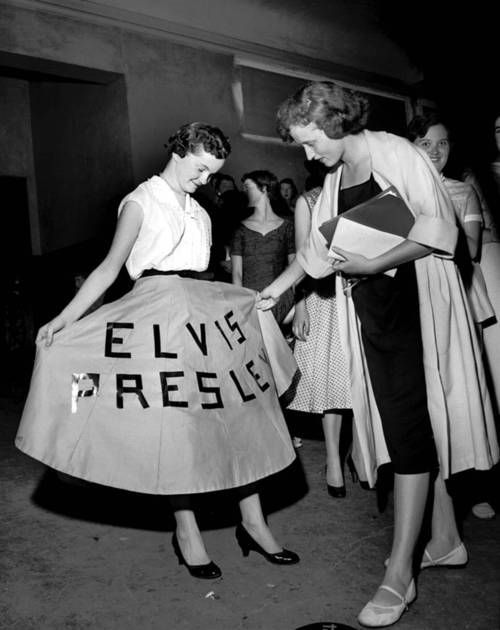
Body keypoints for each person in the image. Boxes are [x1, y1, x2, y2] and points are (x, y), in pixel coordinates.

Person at [257, 82, 499, 627]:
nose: (307, 153)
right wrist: (281, 288)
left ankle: (398, 576)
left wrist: (370, 264)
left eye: (310, 140)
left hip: (414, 309)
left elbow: (443, 236)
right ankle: (444, 539)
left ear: (336, 123)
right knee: (409, 426)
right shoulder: (338, 175)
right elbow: (317, 252)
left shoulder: (398, 153)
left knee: (410, 430)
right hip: (377, 315)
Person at [16, 122, 299, 581]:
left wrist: (245, 301)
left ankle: (254, 522)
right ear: (182, 151)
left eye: (213, 173)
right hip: (156, 322)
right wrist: (63, 320)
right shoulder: (140, 202)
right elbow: (109, 270)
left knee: (240, 415)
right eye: (202, 169)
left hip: (204, 320)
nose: (206, 181)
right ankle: (186, 530)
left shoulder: (202, 213)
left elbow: (205, 276)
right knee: (180, 427)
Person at [288, 179, 357, 496]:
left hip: (361, 296)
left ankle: (361, 453)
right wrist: (299, 306)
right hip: (325, 298)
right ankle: (333, 461)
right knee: (333, 380)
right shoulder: (310, 201)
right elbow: (301, 259)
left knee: (362, 384)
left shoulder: (363, 192)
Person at [408, 113, 494, 331]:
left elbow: (473, 248)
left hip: (459, 285)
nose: (435, 151)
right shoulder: (399, 192)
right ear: (411, 147)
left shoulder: (463, 191)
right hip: (414, 290)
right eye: (425, 143)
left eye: (442, 143)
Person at [231, 170, 296, 325]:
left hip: (280, 298)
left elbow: (294, 270)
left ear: (264, 189)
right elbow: (237, 274)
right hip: (250, 301)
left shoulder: (287, 227)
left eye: (248, 186)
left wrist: (299, 307)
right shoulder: (240, 229)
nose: (244, 190)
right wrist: (240, 307)